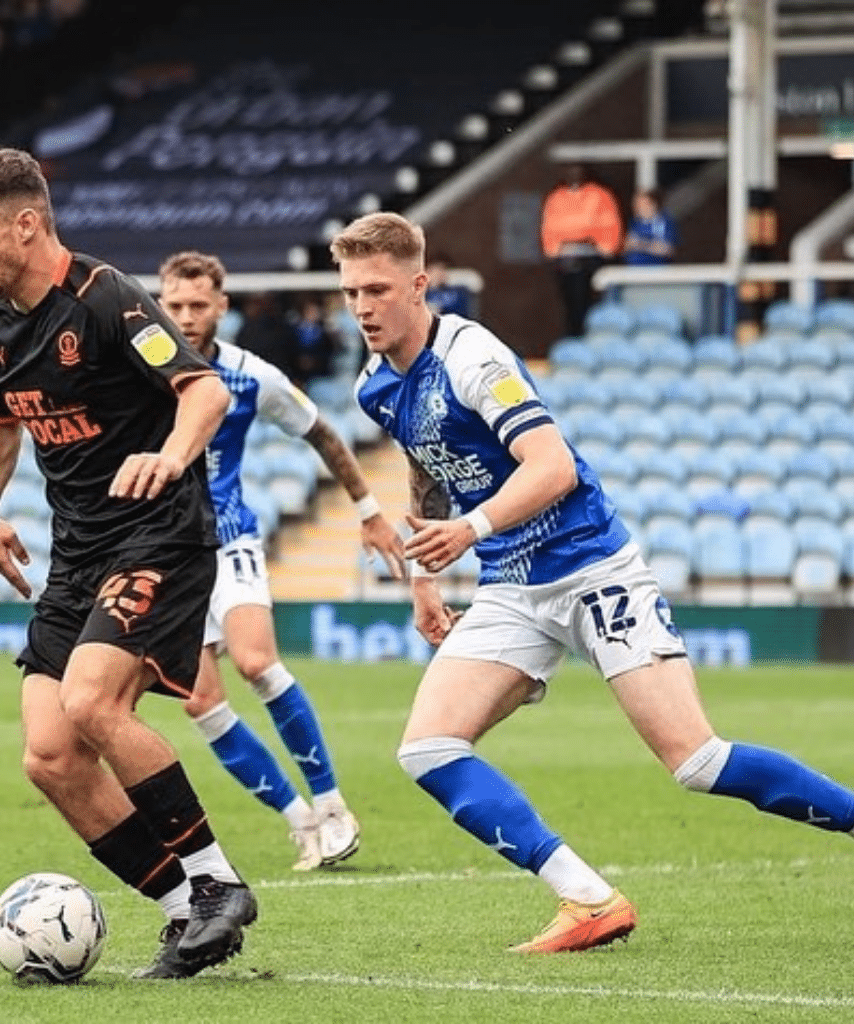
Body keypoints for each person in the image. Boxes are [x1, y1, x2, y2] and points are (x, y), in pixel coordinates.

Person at [331, 210, 854, 953]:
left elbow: (553, 467)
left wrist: (470, 530)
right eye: (351, 292)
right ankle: (587, 899)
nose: (361, 307)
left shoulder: (472, 356)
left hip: (590, 569)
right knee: (428, 749)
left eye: (377, 290)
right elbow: (427, 458)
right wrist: (423, 577)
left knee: (697, 762)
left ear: (419, 286)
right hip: (512, 584)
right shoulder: (375, 386)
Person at [0, 147, 256, 980]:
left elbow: (206, 391)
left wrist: (172, 456)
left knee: (90, 701)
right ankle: (185, 916)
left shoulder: (106, 299)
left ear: (25, 224)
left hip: (158, 535)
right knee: (50, 755)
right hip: (77, 554)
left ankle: (219, 884)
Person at [157, 250, 403, 870]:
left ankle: (332, 804)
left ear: (222, 306)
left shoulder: (249, 376)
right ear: (159, 305)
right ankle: (302, 822)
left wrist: (370, 511)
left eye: (198, 305)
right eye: (175, 304)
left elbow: (321, 432)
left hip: (229, 539)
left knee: (257, 662)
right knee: (200, 702)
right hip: (162, 553)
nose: (185, 316)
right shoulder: (136, 370)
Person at [540, 163, 622, 337]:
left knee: (590, 304)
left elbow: (608, 227)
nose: (574, 175)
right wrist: (554, 249)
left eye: (578, 171)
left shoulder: (599, 195)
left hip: (591, 258)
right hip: (565, 259)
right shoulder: (557, 198)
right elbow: (550, 229)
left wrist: (603, 246)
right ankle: (574, 335)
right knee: (570, 305)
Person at [623, 188, 678, 267]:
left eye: (641, 204)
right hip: (633, 269)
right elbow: (625, 246)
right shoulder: (634, 222)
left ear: (653, 204)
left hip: (656, 269)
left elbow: (667, 250)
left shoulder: (664, 221)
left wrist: (640, 244)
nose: (637, 207)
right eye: (635, 204)